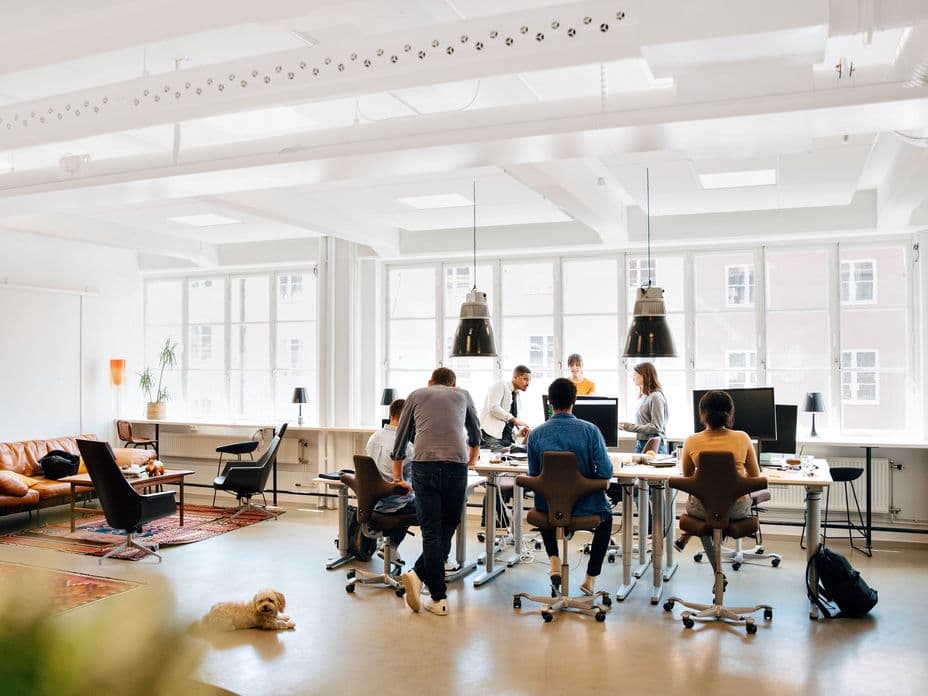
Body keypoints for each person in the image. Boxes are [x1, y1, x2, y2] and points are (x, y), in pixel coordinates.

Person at [391, 367, 481, 616]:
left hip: (424, 465)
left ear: (430, 382)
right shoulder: (463, 395)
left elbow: (402, 434)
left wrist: (397, 473)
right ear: (454, 384)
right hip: (456, 467)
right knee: (450, 523)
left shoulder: (416, 395)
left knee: (431, 531)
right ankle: (431, 588)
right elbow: (475, 433)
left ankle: (429, 588)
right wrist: (472, 459)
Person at [526, 377, 614, 596]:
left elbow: (534, 475)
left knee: (546, 506)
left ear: (550, 403)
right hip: (585, 507)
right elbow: (605, 472)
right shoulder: (590, 431)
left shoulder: (535, 434)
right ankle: (590, 578)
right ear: (575, 400)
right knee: (607, 518)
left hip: (549, 507)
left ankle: (554, 560)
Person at [677, 390, 761, 566]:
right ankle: (695, 544)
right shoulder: (743, 437)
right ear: (730, 413)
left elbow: (687, 476)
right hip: (736, 509)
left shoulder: (691, 440)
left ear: (702, 413)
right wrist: (734, 479)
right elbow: (754, 476)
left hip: (702, 508)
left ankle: (717, 571)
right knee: (715, 512)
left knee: (706, 515)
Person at [364, 398, 416, 564]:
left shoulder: (373, 437)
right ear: (406, 417)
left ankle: (389, 545)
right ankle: (392, 546)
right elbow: (414, 482)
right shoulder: (406, 447)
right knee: (432, 506)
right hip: (394, 505)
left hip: (372, 503)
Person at [619, 362, 669, 454]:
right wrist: (626, 425)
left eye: (635, 374)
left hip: (653, 444)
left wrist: (630, 427)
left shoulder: (655, 396)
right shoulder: (644, 396)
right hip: (641, 442)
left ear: (644, 376)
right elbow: (643, 422)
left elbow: (656, 427)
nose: (633, 377)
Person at [479, 365, 532, 450]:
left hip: (505, 440)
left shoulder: (516, 396)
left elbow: (507, 424)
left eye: (529, 380)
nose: (528, 384)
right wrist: (514, 420)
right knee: (496, 462)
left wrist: (518, 432)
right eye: (525, 379)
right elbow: (493, 407)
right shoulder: (501, 385)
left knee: (512, 460)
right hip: (490, 436)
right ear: (515, 377)